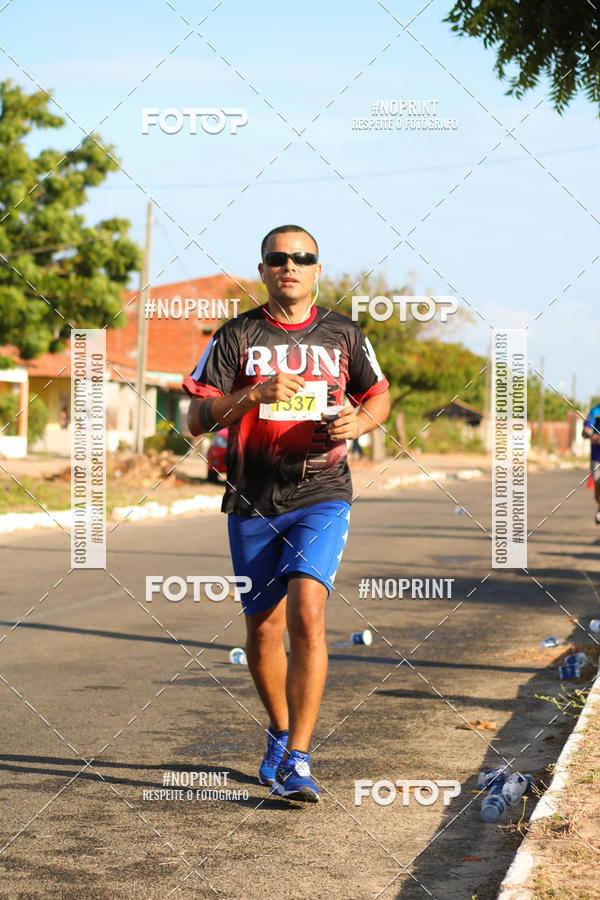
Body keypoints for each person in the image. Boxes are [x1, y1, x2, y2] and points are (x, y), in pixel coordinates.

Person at [184, 224, 390, 802]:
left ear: (318, 270)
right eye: (278, 258)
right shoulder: (235, 335)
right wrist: (254, 394)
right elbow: (195, 419)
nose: (290, 266)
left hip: (322, 490)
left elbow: (378, 394)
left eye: (302, 258)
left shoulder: (345, 334)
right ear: (264, 270)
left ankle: (299, 758)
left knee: (307, 611)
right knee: (265, 627)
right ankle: (278, 732)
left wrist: (363, 421)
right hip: (252, 496)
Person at [583, 400, 600, 524]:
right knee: (598, 489)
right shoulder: (595, 411)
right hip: (597, 456)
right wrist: (590, 436)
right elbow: (585, 431)